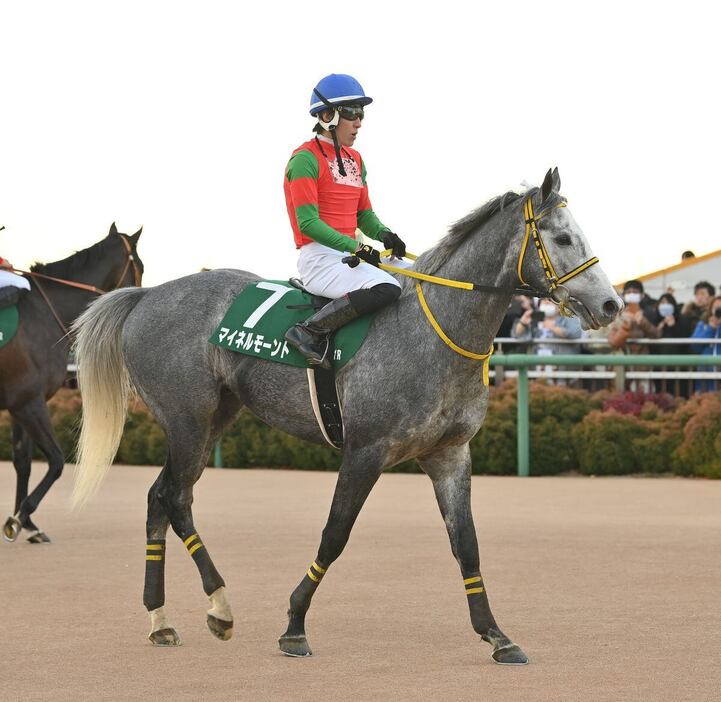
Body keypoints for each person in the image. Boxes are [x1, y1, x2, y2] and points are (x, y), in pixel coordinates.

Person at [283, 73, 411, 368]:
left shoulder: (355, 159)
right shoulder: (304, 159)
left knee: (418, 274)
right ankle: (308, 331)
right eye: (351, 113)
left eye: (361, 113)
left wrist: (384, 234)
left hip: (351, 255)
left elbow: (363, 214)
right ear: (327, 115)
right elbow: (308, 223)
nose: (359, 122)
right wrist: (355, 246)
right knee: (388, 288)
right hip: (320, 261)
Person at [607, 280, 660, 354]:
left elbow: (656, 335)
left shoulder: (649, 313)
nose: (631, 294)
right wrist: (625, 327)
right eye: (628, 292)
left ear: (642, 295)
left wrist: (643, 322)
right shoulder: (618, 314)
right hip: (622, 360)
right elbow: (612, 342)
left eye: (635, 292)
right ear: (624, 295)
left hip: (642, 360)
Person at [690, 294, 721, 393]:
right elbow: (695, 346)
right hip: (706, 374)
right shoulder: (703, 324)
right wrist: (711, 328)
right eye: (716, 308)